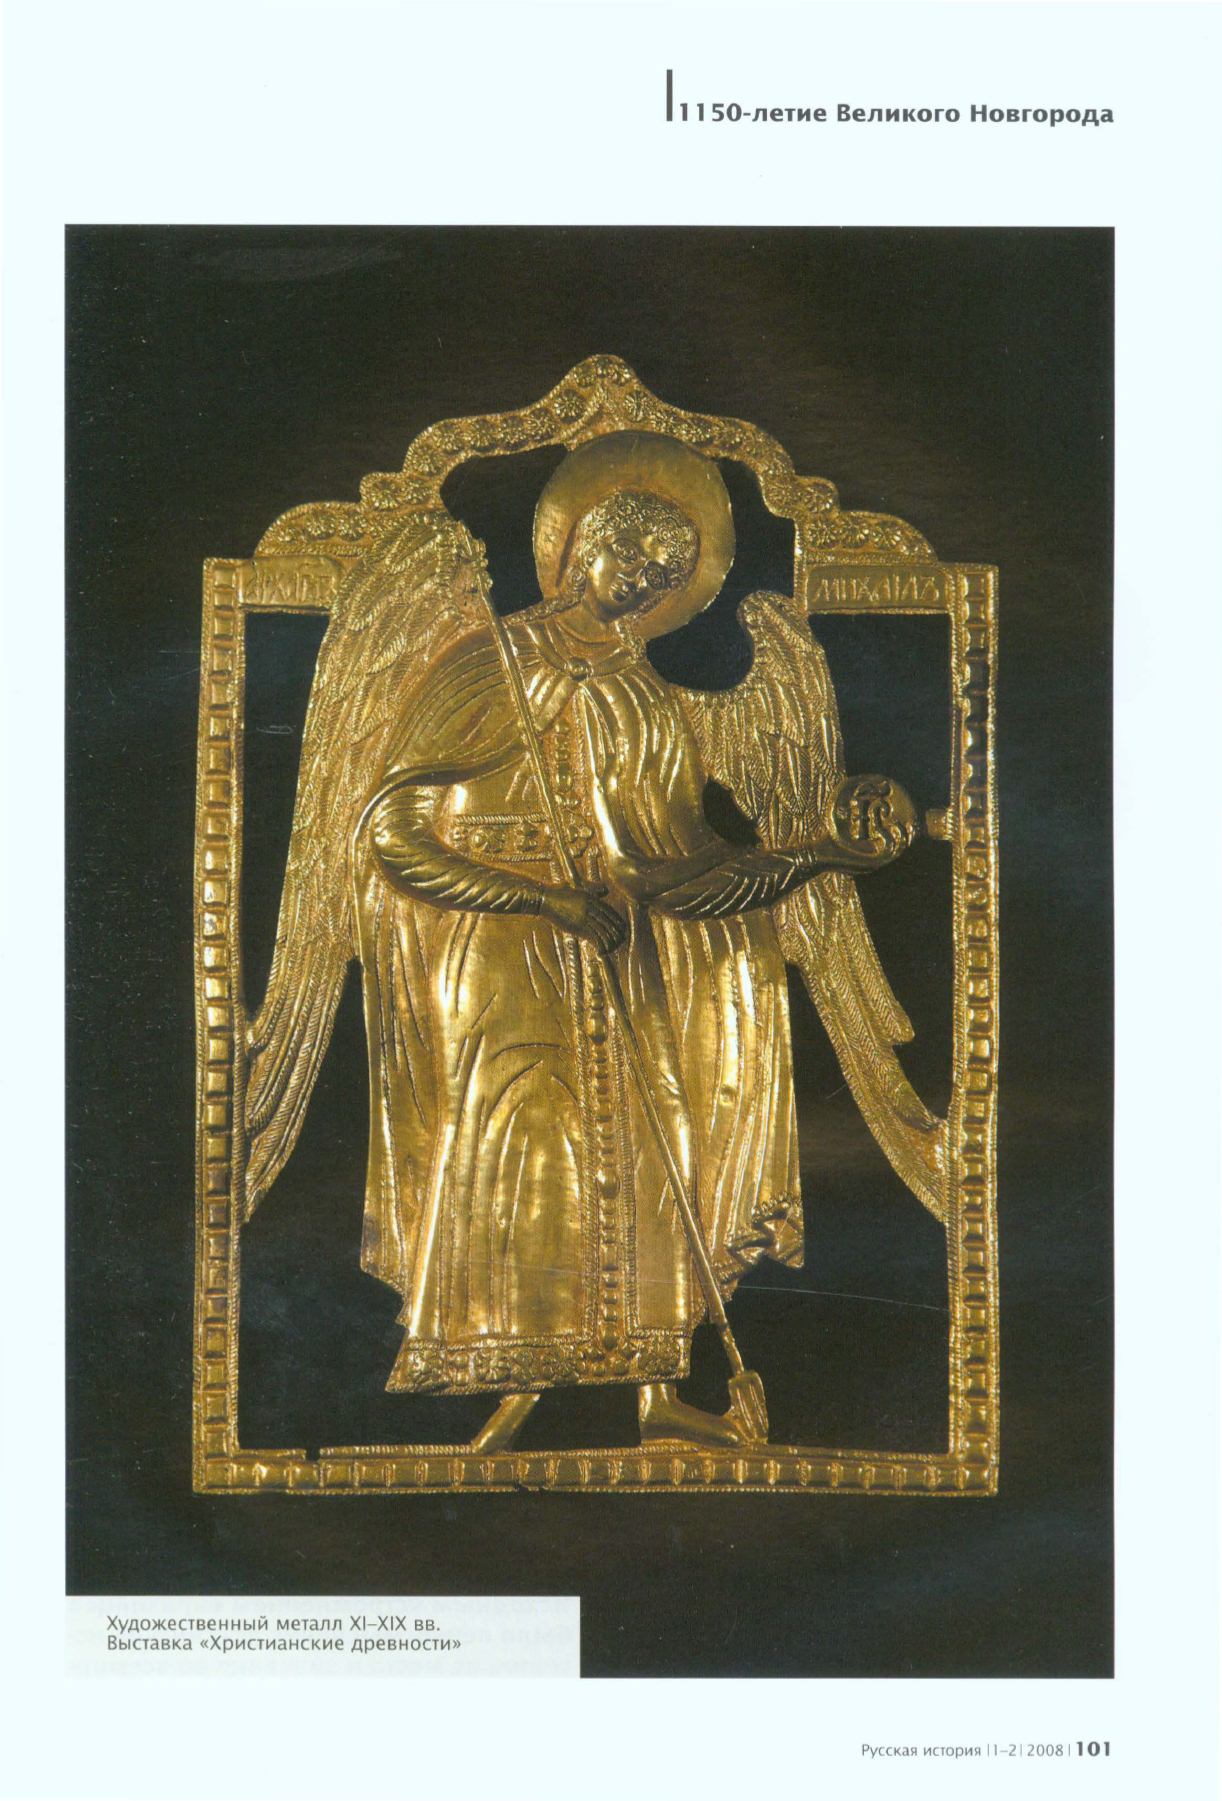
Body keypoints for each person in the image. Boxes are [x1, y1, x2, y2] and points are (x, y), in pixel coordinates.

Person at [350, 434, 910, 1449]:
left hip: (617, 941)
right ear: (578, 546)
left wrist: (819, 854)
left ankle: (655, 1395)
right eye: (630, 555)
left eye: (664, 572)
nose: (642, 582)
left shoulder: (644, 696)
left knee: (652, 1145)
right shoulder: (490, 660)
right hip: (502, 948)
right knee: (525, 1139)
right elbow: (391, 837)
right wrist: (540, 898)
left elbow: (678, 876)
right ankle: (507, 1389)